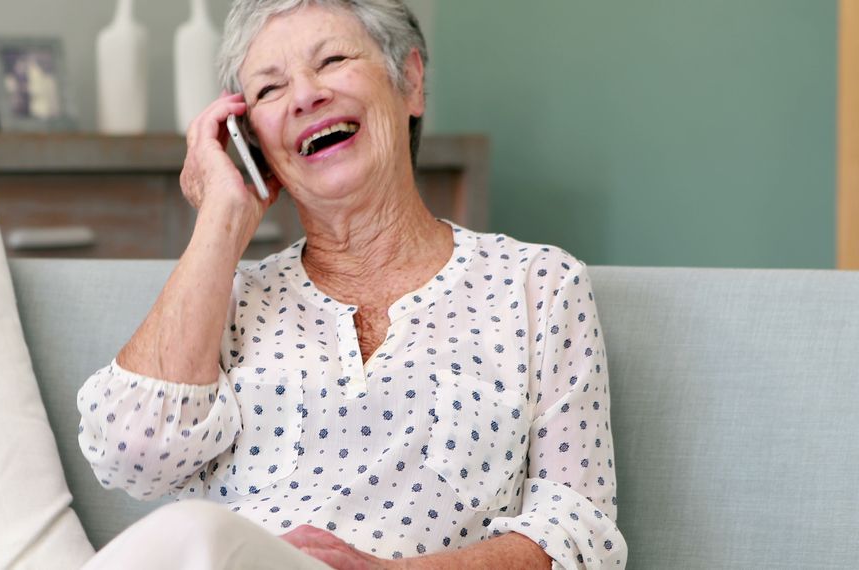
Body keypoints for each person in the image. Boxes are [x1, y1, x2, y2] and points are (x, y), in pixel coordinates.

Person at [77, 0, 627, 568]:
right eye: (268, 91)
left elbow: (576, 535)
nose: (304, 96)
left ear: (410, 82)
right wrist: (222, 216)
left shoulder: (538, 286)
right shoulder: (227, 302)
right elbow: (130, 455)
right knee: (193, 532)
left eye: (333, 59)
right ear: (251, 142)